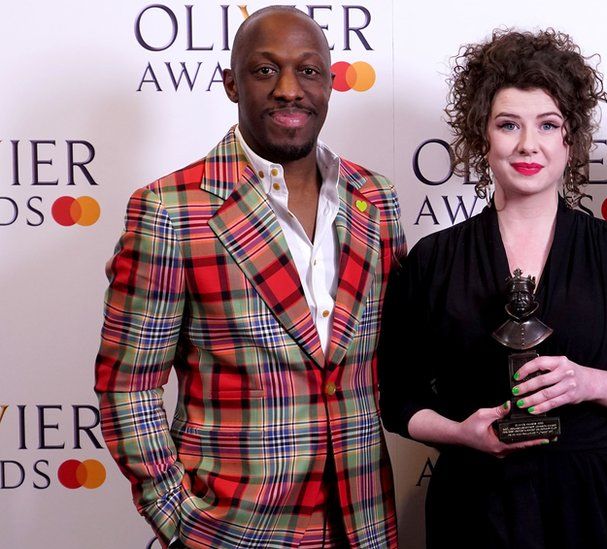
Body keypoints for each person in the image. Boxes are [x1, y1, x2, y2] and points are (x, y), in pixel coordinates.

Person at [94, 7, 403, 548]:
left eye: (307, 71)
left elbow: (405, 350)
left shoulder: (375, 200)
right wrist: (183, 521)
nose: (289, 89)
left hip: (365, 525)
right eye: (265, 71)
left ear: (330, 84)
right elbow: (129, 387)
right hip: (233, 530)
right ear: (232, 84)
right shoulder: (169, 210)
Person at [377, 29, 607, 549]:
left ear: (570, 139)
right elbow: (397, 401)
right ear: (482, 137)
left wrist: (590, 383)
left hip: (592, 506)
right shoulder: (433, 260)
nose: (527, 144)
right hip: (473, 505)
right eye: (508, 124)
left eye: (548, 124)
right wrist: (460, 433)